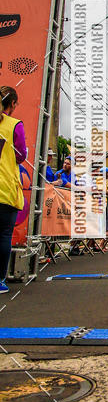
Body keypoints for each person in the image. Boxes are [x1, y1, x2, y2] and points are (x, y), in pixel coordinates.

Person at [0, 87, 27, 293]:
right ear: (12, 105)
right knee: (3, 234)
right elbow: (21, 155)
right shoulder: (14, 125)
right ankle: (0, 280)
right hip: (5, 188)